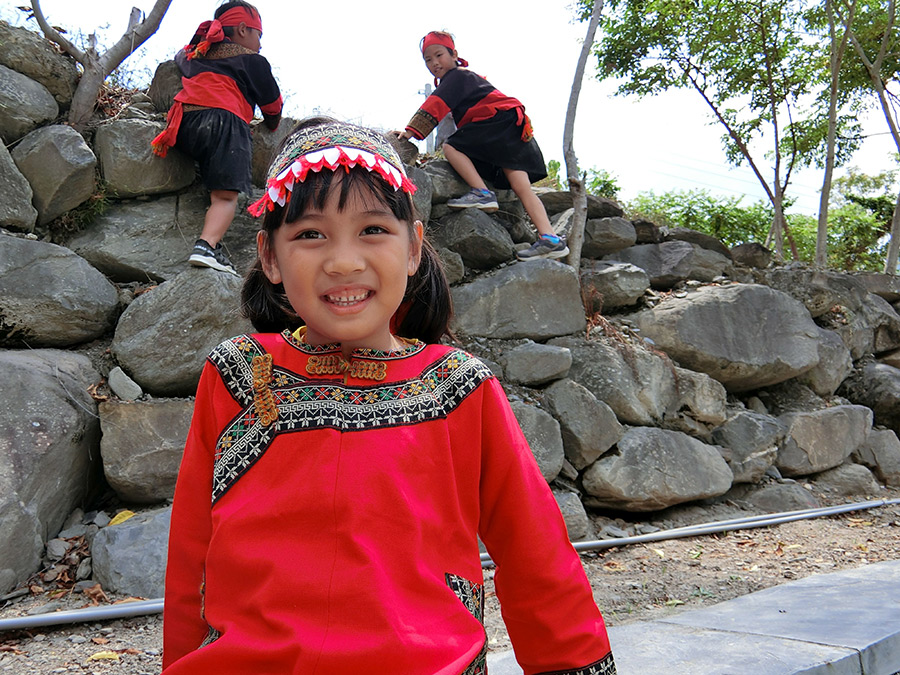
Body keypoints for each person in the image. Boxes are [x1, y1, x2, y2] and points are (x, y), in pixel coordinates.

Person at [162, 117, 616, 674]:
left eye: (373, 230)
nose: (344, 261)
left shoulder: (460, 386)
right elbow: (191, 556)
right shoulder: (235, 373)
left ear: (414, 248)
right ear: (271, 257)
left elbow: (536, 555)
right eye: (310, 234)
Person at [395, 31, 567, 262]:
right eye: (428, 60)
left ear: (454, 54)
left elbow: (436, 104)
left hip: (497, 123)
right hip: (509, 127)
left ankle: (482, 193)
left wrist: (410, 132)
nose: (434, 63)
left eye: (439, 55)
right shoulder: (467, 77)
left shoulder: (456, 76)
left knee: (452, 147)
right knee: (520, 185)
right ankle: (551, 238)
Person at [151, 0, 283, 275]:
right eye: (259, 35)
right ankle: (207, 247)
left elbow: (179, 58)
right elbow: (273, 105)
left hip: (185, 124)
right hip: (225, 122)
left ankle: (211, 245)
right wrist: (272, 123)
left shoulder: (195, 55)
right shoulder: (253, 60)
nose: (261, 43)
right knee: (224, 197)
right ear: (244, 29)